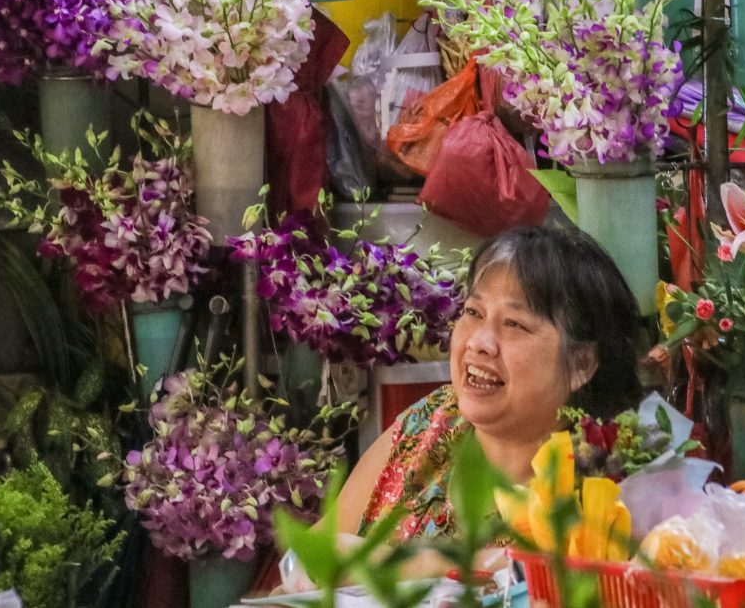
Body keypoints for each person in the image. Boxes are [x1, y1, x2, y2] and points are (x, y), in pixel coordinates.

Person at [274, 225, 643, 591]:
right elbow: (310, 559)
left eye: (514, 324)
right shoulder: (434, 419)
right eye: (473, 312)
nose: (480, 343)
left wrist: (413, 564)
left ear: (582, 364)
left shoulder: (607, 489)